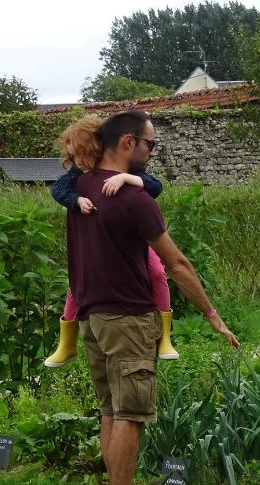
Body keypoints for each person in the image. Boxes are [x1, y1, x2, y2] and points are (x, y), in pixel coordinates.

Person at [66, 109, 240, 485]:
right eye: (150, 143)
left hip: (92, 319)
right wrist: (212, 316)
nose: (153, 150)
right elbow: (176, 264)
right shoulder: (133, 200)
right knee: (131, 414)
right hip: (126, 319)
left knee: (111, 409)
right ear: (127, 142)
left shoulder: (82, 186)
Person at [45, 114, 179, 367]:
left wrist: (126, 178)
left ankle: (164, 337)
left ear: (96, 147)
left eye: (81, 154)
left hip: (132, 243)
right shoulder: (78, 174)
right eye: (72, 157)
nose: (78, 162)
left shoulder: (127, 167)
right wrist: (76, 200)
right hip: (97, 249)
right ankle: (67, 341)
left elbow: (154, 186)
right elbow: (59, 190)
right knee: (76, 283)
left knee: (158, 274)